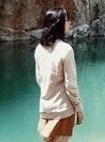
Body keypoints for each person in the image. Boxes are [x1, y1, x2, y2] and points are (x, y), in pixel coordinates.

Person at [35, 8, 84, 142]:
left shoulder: (40, 49)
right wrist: (79, 108)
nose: (69, 23)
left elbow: (40, 80)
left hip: (45, 109)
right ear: (59, 24)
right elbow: (70, 85)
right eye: (66, 20)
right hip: (62, 110)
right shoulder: (65, 50)